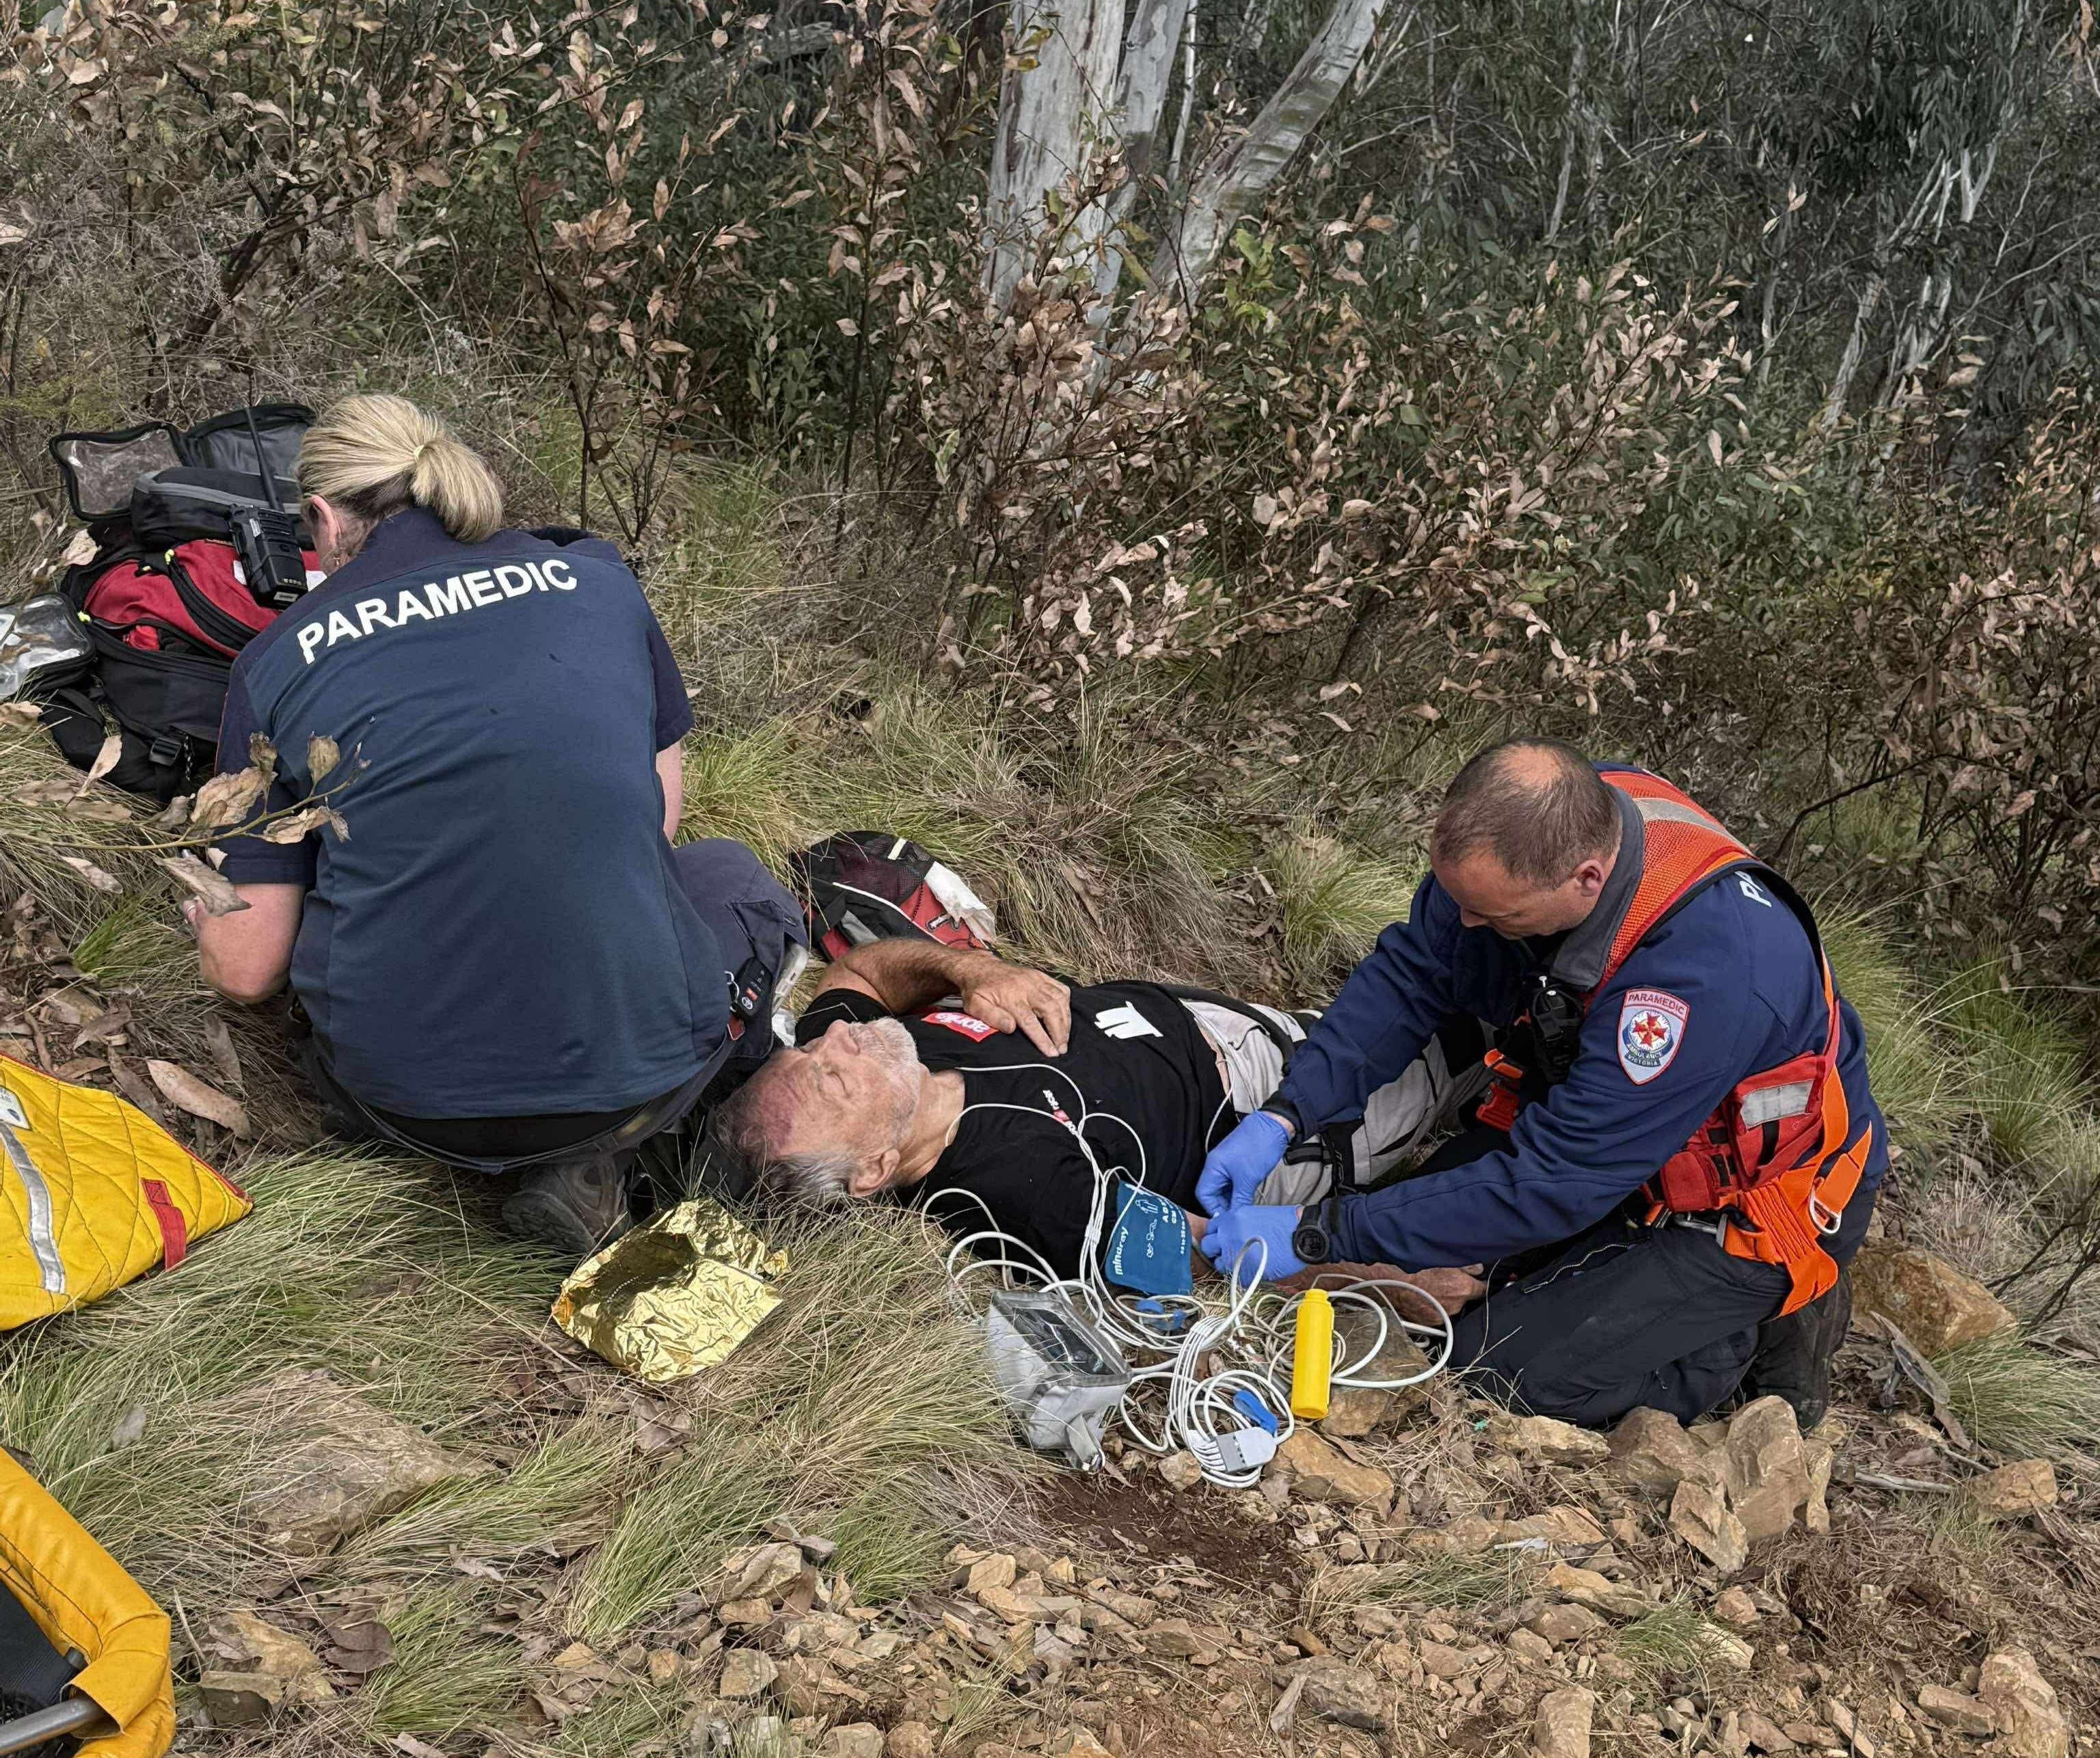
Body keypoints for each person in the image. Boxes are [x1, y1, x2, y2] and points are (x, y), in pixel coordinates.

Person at [187, 394, 806, 1250]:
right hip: (632, 1086)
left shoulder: (277, 657)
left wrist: (202, 898)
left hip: (402, 1102)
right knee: (732, 879)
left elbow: (246, 970)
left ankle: (523, 1144)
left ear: (324, 518)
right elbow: (655, 826)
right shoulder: (596, 579)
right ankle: (614, 1155)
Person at [1195, 739, 1885, 1430]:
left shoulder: (1702, 980)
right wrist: (1287, 1115)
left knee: (1493, 1368)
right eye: (1460, 900)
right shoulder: (1531, 831)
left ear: (1587, 878)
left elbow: (1556, 1181)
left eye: (1495, 916)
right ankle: (1587, 1280)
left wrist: (1319, 1232)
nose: (1467, 924)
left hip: (1752, 1206)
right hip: (1601, 1129)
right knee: (1414, 1295)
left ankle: (1743, 1336)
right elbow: (1412, 980)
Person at [705, 935, 1485, 1312]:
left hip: (1210, 1013)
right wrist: (1387, 1284)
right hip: (1277, 1108)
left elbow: (861, 973)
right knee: (1470, 1038)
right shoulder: (1019, 1188)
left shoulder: (870, 1050)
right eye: (836, 1076)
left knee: (1448, 970)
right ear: (873, 1168)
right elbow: (1210, 1251)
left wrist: (972, 969)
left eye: (816, 1049)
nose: (837, 1038)